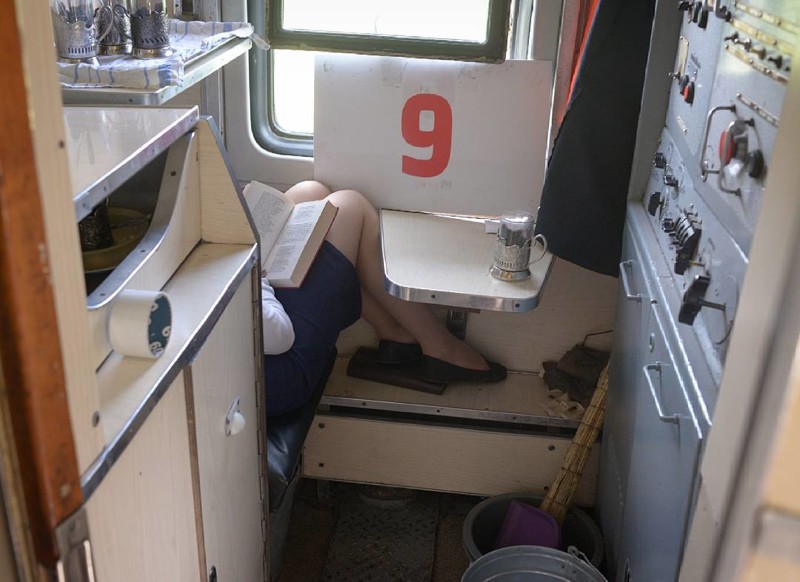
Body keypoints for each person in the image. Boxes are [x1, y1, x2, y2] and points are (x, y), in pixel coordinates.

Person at [261, 181, 506, 417]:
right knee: (350, 206)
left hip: (254, 328)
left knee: (309, 192)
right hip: (267, 374)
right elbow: (278, 336)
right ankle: (438, 345)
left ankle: (396, 333)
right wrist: (257, 280)